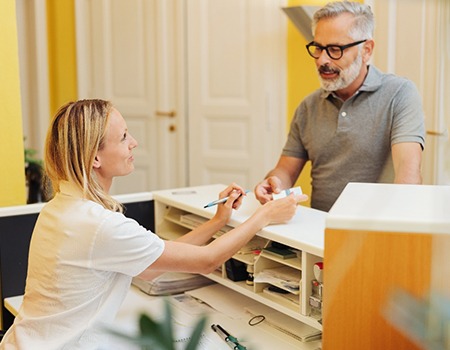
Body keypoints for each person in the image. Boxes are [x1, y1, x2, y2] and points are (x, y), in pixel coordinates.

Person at [0, 99, 306, 349]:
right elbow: (206, 261)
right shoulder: (99, 225)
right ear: (95, 158)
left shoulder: (63, 209)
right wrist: (264, 215)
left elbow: (151, 265)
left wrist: (218, 221)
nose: (134, 142)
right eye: (123, 137)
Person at [254, 1, 425, 212]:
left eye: (335, 49)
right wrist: (273, 184)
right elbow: (285, 172)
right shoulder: (308, 107)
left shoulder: (399, 94)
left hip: (376, 232)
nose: (322, 60)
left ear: (367, 50)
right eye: (318, 48)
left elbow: (408, 174)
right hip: (318, 231)